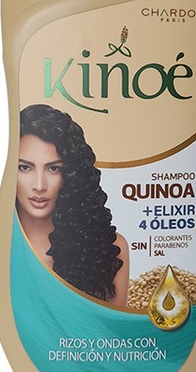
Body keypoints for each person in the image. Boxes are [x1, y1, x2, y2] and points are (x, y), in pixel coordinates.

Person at [16, 103, 129, 307]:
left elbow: (113, 326)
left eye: (53, 169)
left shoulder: (110, 249)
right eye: (25, 167)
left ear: (70, 174)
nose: (39, 185)